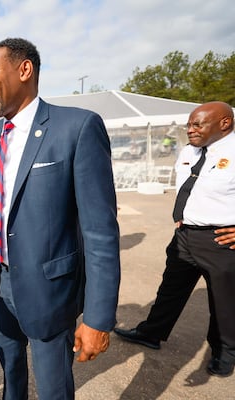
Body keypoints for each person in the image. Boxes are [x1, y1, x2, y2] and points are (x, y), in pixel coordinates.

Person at [0, 38, 121, 399]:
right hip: (1, 284)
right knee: (10, 371)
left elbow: (100, 232)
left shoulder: (77, 127)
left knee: (52, 388)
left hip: (51, 292)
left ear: (24, 69)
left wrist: (98, 318)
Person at [114, 101, 235, 377]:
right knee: (170, 290)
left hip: (220, 241)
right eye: (189, 124)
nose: (189, 129)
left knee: (224, 303)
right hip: (185, 235)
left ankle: (225, 352)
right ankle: (151, 333)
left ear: (224, 123)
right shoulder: (190, 151)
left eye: (197, 124)